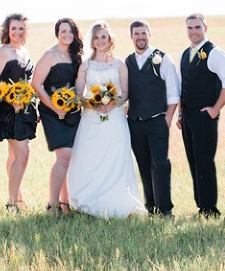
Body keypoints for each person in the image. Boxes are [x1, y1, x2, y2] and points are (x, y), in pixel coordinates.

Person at [67, 21, 146, 218]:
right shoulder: (86, 66)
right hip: (91, 120)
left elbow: (126, 92)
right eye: (96, 37)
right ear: (92, 41)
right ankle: (90, 200)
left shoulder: (119, 64)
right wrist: (92, 104)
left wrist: (112, 104)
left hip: (115, 118)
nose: (100, 41)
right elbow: (78, 92)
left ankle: (117, 202)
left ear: (109, 39)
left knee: (115, 159)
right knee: (90, 158)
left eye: (104, 37)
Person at [177, 13, 225, 217]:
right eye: (190, 28)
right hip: (187, 117)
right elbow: (181, 86)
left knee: (204, 161)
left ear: (205, 28)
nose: (193, 31)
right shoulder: (185, 54)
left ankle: (210, 209)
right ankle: (200, 205)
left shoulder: (214, 53)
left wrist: (215, 108)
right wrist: (179, 113)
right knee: (193, 161)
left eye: (197, 27)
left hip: (205, 116)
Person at [125, 20, 180, 217]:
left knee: (160, 165)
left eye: (143, 33)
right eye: (136, 34)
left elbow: (174, 93)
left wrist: (167, 119)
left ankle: (166, 210)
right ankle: (152, 208)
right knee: (144, 164)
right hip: (135, 122)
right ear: (131, 37)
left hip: (158, 120)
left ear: (149, 35)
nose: (140, 37)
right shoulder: (128, 62)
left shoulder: (162, 58)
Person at [33, 18, 83, 214]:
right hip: (52, 113)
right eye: (63, 31)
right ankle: (52, 204)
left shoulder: (75, 56)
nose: (67, 35)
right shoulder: (50, 55)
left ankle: (65, 203)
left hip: (72, 113)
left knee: (68, 159)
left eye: (70, 31)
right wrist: (55, 108)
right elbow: (36, 85)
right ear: (57, 33)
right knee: (64, 156)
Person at [0, 13, 38, 215]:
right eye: (13, 29)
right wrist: (11, 101)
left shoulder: (25, 51)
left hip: (25, 109)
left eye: (21, 29)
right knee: (22, 154)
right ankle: (12, 203)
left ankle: (18, 197)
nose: (17, 32)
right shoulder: (3, 52)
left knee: (13, 155)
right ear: (7, 31)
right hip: (9, 111)